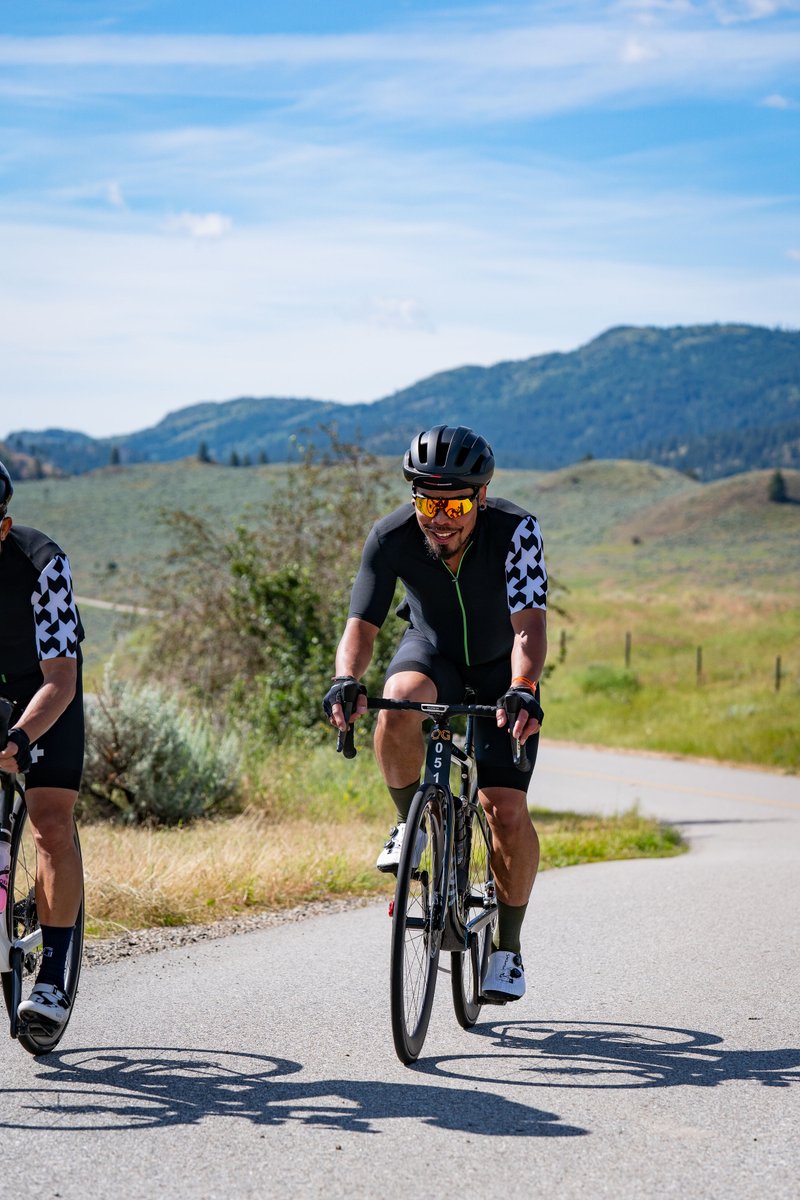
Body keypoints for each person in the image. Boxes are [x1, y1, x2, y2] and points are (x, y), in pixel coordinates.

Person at [324, 425, 547, 1002]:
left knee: (506, 810)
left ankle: (508, 947)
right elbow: (362, 627)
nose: (438, 517)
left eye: (452, 503)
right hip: (435, 654)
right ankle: (413, 824)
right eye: (427, 501)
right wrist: (346, 679)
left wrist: (523, 685)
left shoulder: (516, 532)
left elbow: (529, 626)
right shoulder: (392, 535)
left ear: (480, 495)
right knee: (396, 705)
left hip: (503, 671)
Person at [0, 459, 85, 1026]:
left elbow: (61, 678)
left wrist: (19, 735)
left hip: (43, 691)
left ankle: (52, 975)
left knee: (49, 820)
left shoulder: (41, 562)